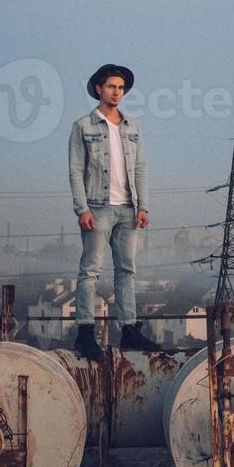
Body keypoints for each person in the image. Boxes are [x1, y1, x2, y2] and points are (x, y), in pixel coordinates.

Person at [68, 63, 159, 357]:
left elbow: (142, 169)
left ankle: (130, 331)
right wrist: (82, 209)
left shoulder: (133, 127)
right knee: (90, 271)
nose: (116, 92)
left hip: (128, 210)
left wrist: (143, 205)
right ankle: (84, 334)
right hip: (98, 208)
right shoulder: (83, 126)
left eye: (120, 88)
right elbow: (75, 170)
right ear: (98, 89)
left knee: (126, 270)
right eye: (111, 87)